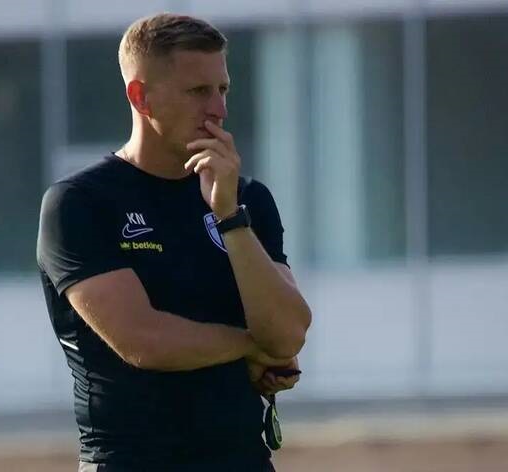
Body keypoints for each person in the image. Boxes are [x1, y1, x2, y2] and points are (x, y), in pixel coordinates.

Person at [37, 13, 312, 472]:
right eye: (198, 91)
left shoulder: (247, 200)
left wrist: (229, 217)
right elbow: (144, 340)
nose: (219, 109)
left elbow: (288, 335)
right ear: (140, 97)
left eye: (222, 89)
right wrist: (251, 346)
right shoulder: (80, 203)